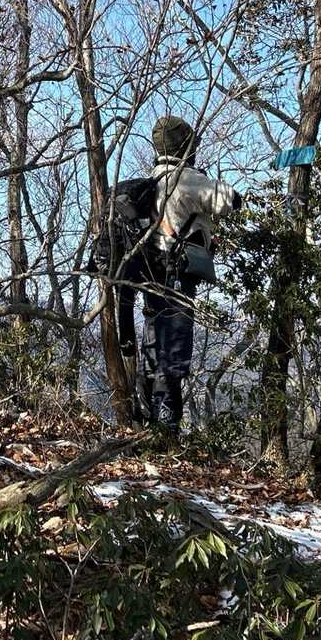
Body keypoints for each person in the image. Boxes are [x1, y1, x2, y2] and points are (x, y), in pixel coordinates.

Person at [137, 115, 242, 435]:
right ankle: (167, 419)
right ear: (185, 147)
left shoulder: (150, 181)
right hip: (177, 273)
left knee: (154, 336)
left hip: (149, 272)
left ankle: (149, 412)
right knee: (176, 339)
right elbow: (231, 200)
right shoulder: (186, 179)